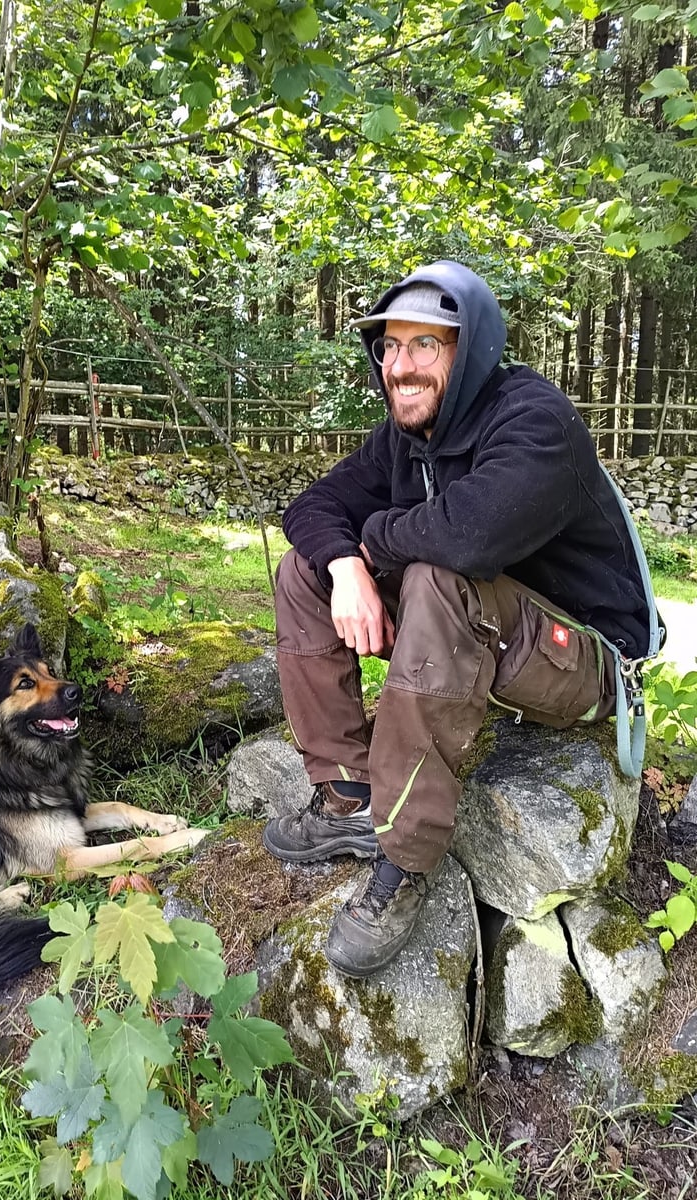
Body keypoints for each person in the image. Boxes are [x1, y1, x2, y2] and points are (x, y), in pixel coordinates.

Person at [262, 260, 653, 980]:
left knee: (439, 576)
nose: (400, 368)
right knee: (305, 570)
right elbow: (312, 506)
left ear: (469, 349)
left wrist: (372, 538)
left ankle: (406, 857)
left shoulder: (536, 421)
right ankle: (349, 790)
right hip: (492, 633)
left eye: (425, 346)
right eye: (389, 347)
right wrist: (346, 565)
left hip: (585, 659)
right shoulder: (407, 435)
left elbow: (469, 538)